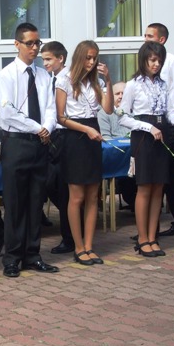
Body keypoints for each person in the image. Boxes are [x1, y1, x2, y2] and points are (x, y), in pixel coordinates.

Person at [0, 22, 58, 278]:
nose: (34, 48)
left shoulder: (43, 75)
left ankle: (32, 254)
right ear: (17, 44)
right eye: (29, 43)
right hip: (17, 142)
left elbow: (51, 107)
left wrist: (47, 127)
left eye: (37, 43)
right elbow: (7, 112)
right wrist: (37, 127)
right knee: (15, 203)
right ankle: (12, 258)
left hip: (40, 142)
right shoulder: (7, 75)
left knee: (35, 201)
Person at [118, 42, 174, 257]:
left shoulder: (163, 84)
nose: (156, 64)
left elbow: (168, 113)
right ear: (143, 60)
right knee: (144, 187)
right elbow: (123, 117)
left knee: (159, 187)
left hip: (163, 134)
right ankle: (142, 239)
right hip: (143, 137)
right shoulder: (133, 84)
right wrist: (148, 127)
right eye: (152, 60)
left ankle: (153, 237)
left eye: (159, 60)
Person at [55, 40, 113, 265]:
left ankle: (89, 246)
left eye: (95, 58)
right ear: (79, 57)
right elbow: (61, 117)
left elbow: (108, 109)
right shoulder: (65, 79)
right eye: (88, 57)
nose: (91, 62)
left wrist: (108, 80)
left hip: (93, 134)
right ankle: (78, 247)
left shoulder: (96, 81)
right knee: (77, 196)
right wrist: (86, 129)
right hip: (75, 136)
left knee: (92, 196)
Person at [144, 23, 174, 237]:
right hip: (152, 123)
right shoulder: (144, 61)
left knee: (170, 175)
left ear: (161, 39)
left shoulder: (172, 61)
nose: (146, 39)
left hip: (170, 123)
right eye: (145, 36)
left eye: (150, 36)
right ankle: (148, 227)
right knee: (154, 176)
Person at [40, 40, 74, 255]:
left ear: (60, 58)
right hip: (52, 136)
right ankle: (71, 227)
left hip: (65, 135)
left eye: (48, 59)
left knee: (64, 189)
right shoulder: (49, 79)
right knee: (52, 184)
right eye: (43, 60)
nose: (45, 64)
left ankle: (69, 237)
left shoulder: (69, 78)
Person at [97, 81, 137, 210]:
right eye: (117, 93)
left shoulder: (135, 111)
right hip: (116, 156)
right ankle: (134, 202)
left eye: (123, 93)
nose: (120, 96)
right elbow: (105, 138)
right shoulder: (103, 113)